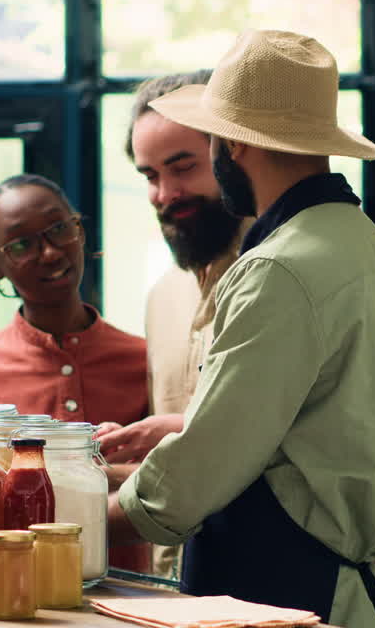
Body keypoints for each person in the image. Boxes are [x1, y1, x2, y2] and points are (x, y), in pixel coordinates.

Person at [110, 30, 375, 628]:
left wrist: (65, 514)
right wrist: (187, 426)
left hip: (285, 594)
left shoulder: (275, 269)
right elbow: (327, 427)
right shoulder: (367, 247)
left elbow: (195, 479)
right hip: (337, 587)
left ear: (231, 146)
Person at [0, 173, 152, 571]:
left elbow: (183, 478)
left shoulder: (146, 361)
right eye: (22, 244)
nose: (49, 253)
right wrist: (115, 475)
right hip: (1, 589)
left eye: (59, 228)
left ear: (79, 231)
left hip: (128, 595)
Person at [97, 70, 253, 579]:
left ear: (232, 156)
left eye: (183, 167)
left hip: (269, 577)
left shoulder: (279, 279)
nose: (166, 193)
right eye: (149, 176)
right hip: (172, 581)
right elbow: (179, 464)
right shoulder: (164, 296)